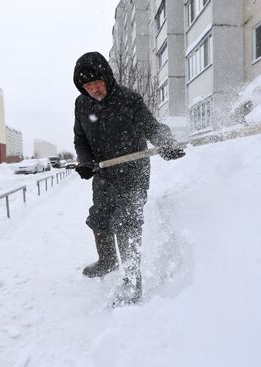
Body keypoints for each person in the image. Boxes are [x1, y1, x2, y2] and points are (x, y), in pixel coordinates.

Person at [72, 51, 185, 306]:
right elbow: (81, 138)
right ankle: (107, 261)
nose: (94, 90)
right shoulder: (81, 105)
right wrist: (85, 161)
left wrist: (167, 144)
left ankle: (132, 281)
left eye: (98, 83)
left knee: (127, 221)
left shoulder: (129, 100)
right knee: (99, 218)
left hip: (132, 172)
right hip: (103, 172)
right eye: (88, 86)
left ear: (107, 78)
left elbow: (151, 126)